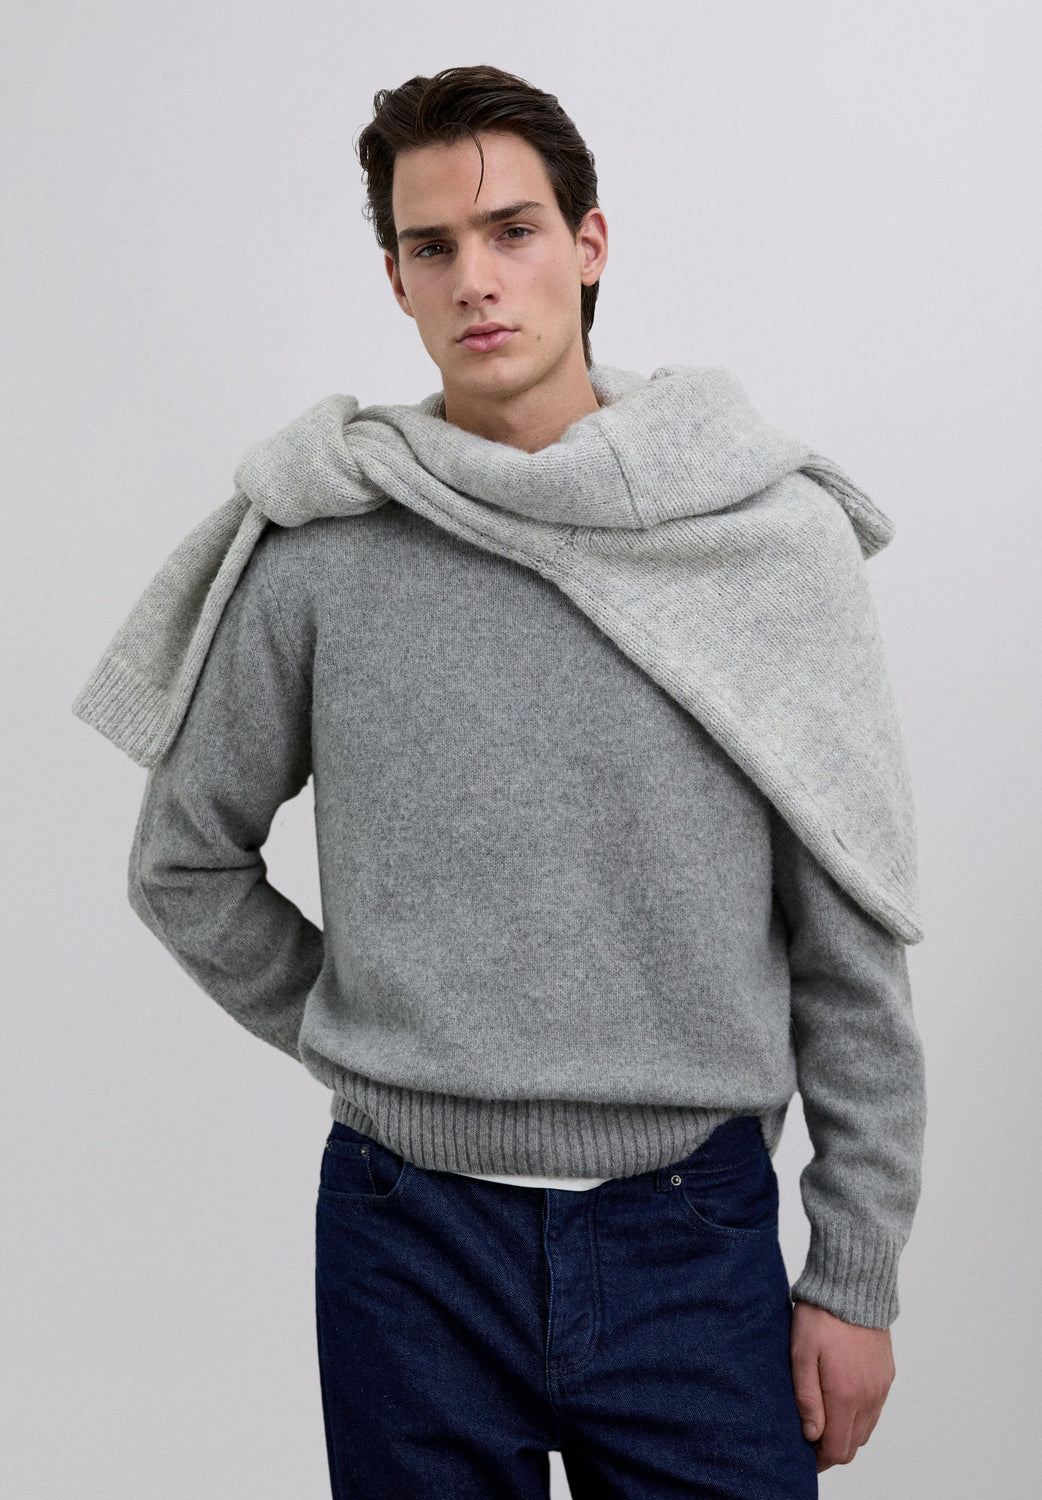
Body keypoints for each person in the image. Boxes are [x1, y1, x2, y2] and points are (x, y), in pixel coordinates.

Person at [106, 64, 926, 1498]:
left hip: (692, 1236)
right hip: (407, 1239)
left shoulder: (765, 541)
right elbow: (184, 862)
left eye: (513, 231)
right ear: (397, 280)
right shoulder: (323, 550)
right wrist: (374, 1030)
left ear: (588, 245)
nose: (476, 279)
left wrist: (855, 1270)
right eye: (433, 246)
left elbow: (849, 928)